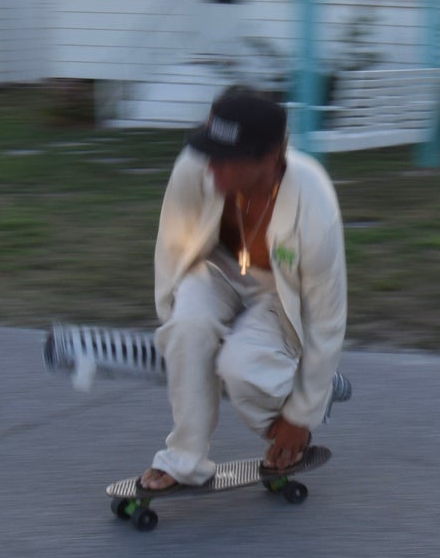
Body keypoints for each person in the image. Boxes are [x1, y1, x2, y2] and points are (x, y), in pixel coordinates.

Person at [139, 86, 348, 493]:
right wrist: (178, 333)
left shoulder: (315, 208)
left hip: (276, 292)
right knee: (187, 330)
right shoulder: (195, 166)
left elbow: (327, 318)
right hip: (214, 268)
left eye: (226, 160)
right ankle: (183, 458)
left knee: (240, 370)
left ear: (269, 159)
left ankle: (306, 399)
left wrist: (301, 415)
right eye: (208, 152)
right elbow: (171, 247)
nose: (209, 167)